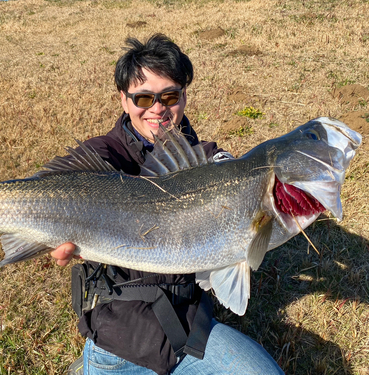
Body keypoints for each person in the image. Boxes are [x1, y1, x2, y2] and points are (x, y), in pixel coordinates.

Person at [50, 34, 284, 375]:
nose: (157, 108)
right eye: (143, 97)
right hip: (117, 344)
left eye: (169, 95)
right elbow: (69, 185)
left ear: (184, 96)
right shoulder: (103, 155)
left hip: (190, 333)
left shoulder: (203, 157)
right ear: (124, 99)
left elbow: (227, 167)